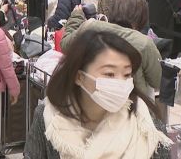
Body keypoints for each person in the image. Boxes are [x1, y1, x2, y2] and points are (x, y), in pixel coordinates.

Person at [24, 26, 171, 159]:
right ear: (79, 76)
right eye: (109, 74)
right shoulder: (50, 119)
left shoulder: (146, 124)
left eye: (127, 74)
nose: (121, 83)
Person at [62, 0, 162, 97]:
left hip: (91, 99)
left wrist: (76, 17)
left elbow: (65, 45)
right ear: (142, 17)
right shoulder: (144, 44)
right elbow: (157, 81)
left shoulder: (91, 27)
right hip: (131, 104)